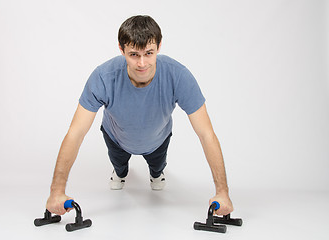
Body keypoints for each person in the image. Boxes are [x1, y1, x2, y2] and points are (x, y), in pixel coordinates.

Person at [46, 15, 234, 217]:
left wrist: (222, 193)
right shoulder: (103, 77)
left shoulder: (178, 76)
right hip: (116, 137)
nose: (142, 63)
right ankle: (120, 173)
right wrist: (56, 191)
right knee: (119, 166)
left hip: (158, 139)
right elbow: (75, 133)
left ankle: (156, 174)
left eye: (149, 53)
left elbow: (206, 134)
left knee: (157, 167)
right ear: (121, 49)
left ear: (159, 47)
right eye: (134, 54)